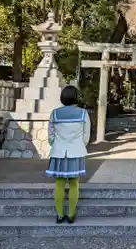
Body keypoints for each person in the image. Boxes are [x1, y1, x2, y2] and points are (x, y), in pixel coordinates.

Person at [45, 85, 91, 224]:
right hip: (76, 151)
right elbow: (86, 135)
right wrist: (79, 145)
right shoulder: (83, 113)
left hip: (59, 152)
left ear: (62, 97)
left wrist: (57, 144)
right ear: (76, 97)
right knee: (74, 183)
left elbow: (50, 135)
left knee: (59, 183)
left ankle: (59, 215)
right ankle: (71, 214)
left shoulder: (55, 113)